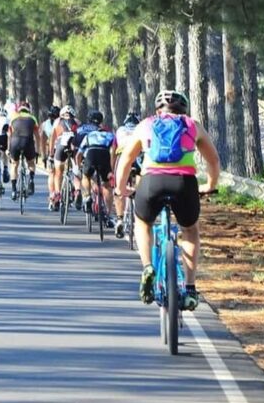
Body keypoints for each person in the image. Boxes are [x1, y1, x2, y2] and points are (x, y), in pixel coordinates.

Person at [115, 90, 220, 311]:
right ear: (184, 109)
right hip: (184, 183)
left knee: (143, 223)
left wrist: (121, 187)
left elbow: (126, 159)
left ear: (157, 109)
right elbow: (213, 159)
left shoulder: (145, 125)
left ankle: (147, 268)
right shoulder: (192, 125)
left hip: (151, 182)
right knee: (190, 231)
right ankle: (190, 289)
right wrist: (210, 185)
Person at [76, 110, 116, 228]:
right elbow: (113, 152)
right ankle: (108, 215)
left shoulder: (89, 135)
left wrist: (79, 167)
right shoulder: (110, 135)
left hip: (91, 155)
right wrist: (111, 169)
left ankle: (87, 196)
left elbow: (78, 154)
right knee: (107, 185)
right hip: (104, 155)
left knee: (86, 176)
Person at [112, 111, 142, 236]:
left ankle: (119, 219)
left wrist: (112, 169)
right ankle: (141, 207)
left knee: (118, 189)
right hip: (139, 157)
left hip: (123, 157)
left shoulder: (120, 130)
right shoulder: (142, 129)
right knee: (141, 187)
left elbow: (113, 151)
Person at [48, 105, 81, 211]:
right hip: (74, 145)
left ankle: (57, 194)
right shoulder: (77, 121)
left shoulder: (57, 121)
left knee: (58, 172)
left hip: (61, 145)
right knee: (76, 172)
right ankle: (78, 191)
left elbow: (52, 139)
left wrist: (51, 155)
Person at [8, 101, 40, 201]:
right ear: (29, 109)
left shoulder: (13, 117)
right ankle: (31, 179)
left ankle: (13, 190)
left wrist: (8, 149)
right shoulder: (33, 118)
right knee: (31, 163)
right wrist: (37, 151)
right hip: (28, 142)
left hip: (15, 142)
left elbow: (9, 134)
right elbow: (37, 136)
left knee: (14, 165)